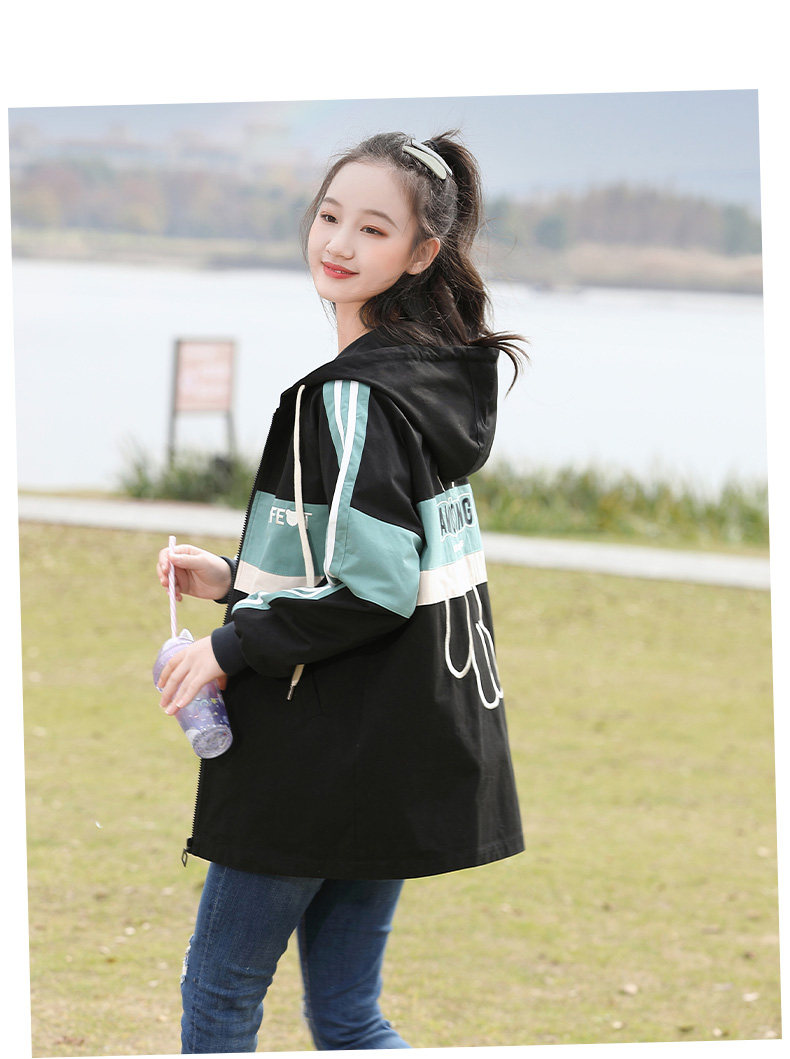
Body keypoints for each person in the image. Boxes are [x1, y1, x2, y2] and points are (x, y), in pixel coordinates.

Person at [155, 130, 527, 1054]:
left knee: (220, 998)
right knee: (350, 1017)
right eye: (330, 216)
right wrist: (236, 582)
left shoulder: (351, 395)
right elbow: (375, 562)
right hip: (392, 742)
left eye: (373, 228)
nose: (340, 243)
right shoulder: (428, 381)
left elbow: (377, 590)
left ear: (422, 253)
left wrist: (228, 647)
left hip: (317, 755)